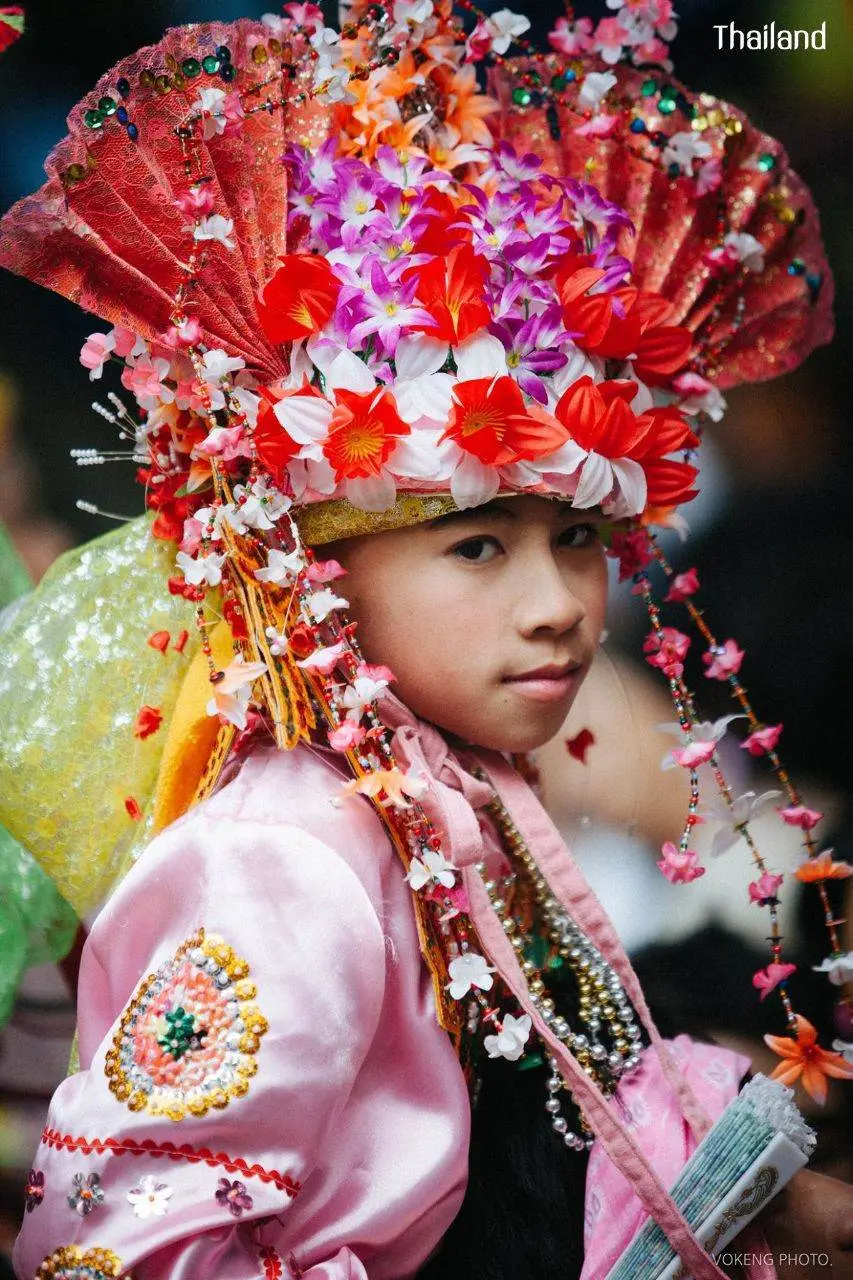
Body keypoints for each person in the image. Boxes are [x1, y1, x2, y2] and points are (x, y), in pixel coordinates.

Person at [0, 3, 851, 1278]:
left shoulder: (454, 790)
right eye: (476, 545)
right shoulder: (289, 858)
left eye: (575, 537)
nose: (560, 602)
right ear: (319, 572)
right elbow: (124, 1250)